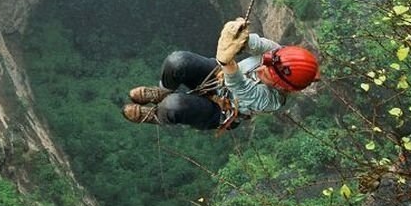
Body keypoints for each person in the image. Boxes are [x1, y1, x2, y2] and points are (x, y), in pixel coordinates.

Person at [122, 17, 320, 132]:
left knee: (173, 106)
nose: (261, 67)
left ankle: (157, 115)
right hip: (218, 76)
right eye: (266, 63)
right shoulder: (279, 55)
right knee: (177, 60)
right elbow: (256, 44)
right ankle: (163, 90)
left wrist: (227, 60)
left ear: (281, 86)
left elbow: (239, 86)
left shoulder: (273, 100)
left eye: (267, 74)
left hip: (221, 110)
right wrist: (237, 34)